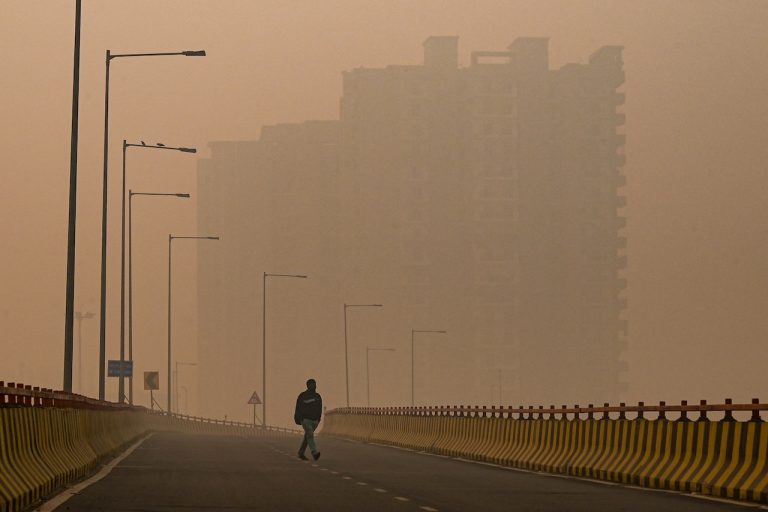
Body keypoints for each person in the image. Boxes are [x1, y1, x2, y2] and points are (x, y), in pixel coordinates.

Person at [294, 378, 322, 460]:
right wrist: (298, 418)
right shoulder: (302, 396)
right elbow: (298, 408)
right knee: (310, 435)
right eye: (312, 384)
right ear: (308, 385)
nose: (314, 386)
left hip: (315, 421)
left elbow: (320, 408)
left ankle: (301, 453)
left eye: (315, 384)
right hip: (305, 420)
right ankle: (315, 453)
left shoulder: (318, 396)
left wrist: (318, 419)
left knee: (308, 436)